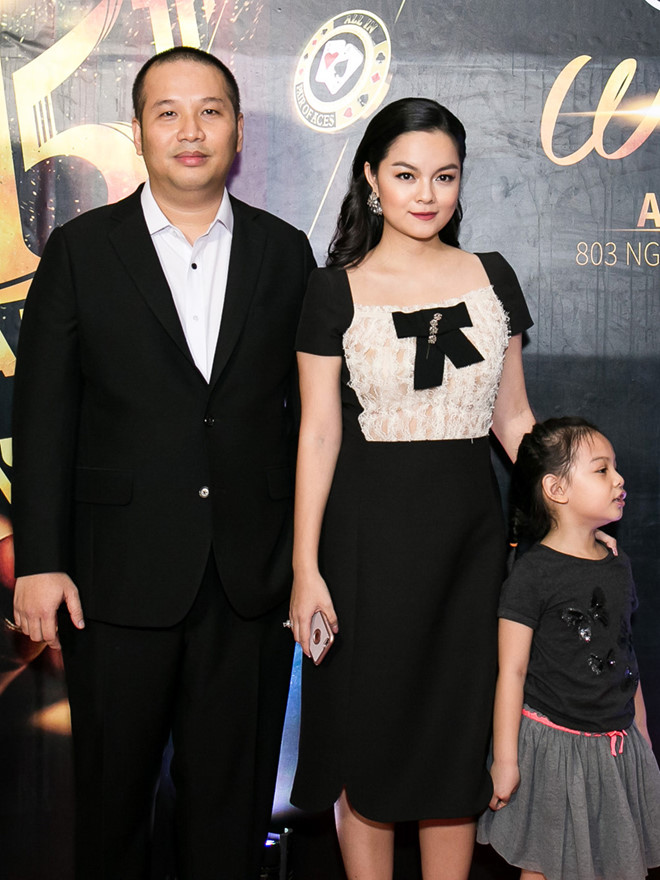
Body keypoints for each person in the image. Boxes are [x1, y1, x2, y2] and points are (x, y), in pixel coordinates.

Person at [11, 46, 315, 880]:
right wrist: (39, 561)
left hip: (249, 581)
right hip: (114, 580)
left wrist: (308, 563)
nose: (191, 131)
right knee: (111, 809)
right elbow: (43, 418)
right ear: (139, 130)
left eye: (210, 112)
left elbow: (314, 422)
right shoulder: (80, 250)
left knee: (230, 815)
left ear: (238, 131)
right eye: (168, 113)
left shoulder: (285, 253)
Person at [287, 96, 536, 880]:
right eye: (405, 175)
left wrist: (565, 510)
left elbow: (515, 419)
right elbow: (318, 433)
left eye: (444, 176)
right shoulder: (334, 290)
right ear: (370, 177)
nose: (426, 194)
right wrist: (304, 567)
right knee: (366, 733)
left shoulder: (491, 277)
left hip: (468, 545)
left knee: (452, 737)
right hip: (365, 544)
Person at [477, 417, 660, 880]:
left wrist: (641, 732)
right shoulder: (533, 575)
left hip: (616, 747)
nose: (619, 479)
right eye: (601, 470)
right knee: (545, 865)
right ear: (556, 489)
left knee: (617, 861)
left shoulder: (618, 563)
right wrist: (506, 761)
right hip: (554, 752)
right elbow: (512, 673)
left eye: (615, 467)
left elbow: (626, 652)